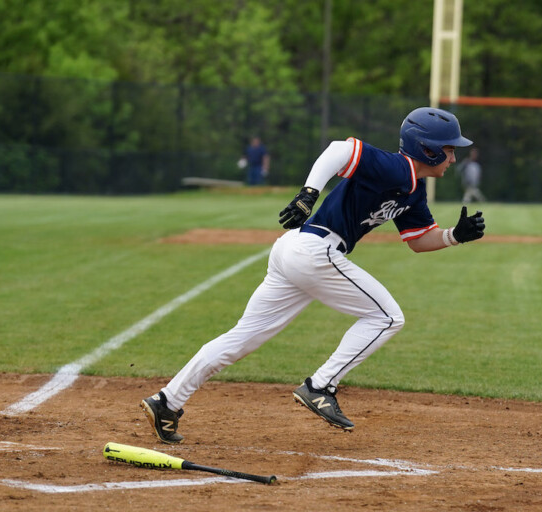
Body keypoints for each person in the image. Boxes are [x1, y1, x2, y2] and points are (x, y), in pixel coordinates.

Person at [140, 107, 486, 444]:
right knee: (387, 317)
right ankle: (320, 386)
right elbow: (340, 150)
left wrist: (455, 235)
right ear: (426, 148)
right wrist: (309, 193)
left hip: (296, 251)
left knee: (241, 338)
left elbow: (418, 240)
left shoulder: (413, 189)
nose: (453, 159)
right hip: (314, 252)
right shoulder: (397, 166)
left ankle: (167, 402)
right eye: (448, 150)